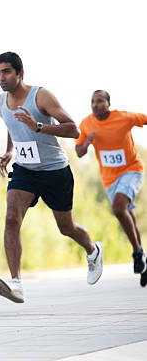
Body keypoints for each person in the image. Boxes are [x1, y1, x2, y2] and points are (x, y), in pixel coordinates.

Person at [0, 51, 104, 303]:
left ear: (20, 73)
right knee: (11, 218)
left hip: (55, 171)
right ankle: (16, 283)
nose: (1, 77)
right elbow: (13, 125)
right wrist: (10, 151)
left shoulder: (41, 96)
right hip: (25, 170)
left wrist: (39, 127)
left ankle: (92, 249)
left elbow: (74, 129)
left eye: (6, 72)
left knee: (66, 227)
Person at [75, 90, 147, 286]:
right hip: (109, 179)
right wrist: (87, 143)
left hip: (132, 170)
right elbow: (79, 152)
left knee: (118, 208)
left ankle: (137, 252)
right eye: (92, 102)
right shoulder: (86, 124)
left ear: (108, 104)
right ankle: (141, 255)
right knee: (127, 214)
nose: (95, 105)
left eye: (99, 101)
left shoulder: (123, 117)